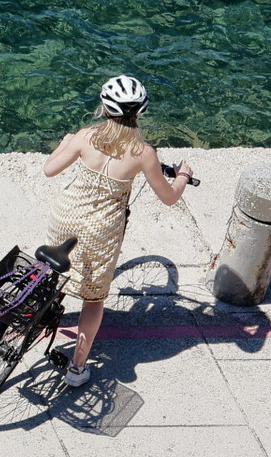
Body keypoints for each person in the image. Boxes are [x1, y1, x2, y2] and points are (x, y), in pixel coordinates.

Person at [43, 74, 191, 388]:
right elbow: (169, 197)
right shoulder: (144, 154)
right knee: (93, 298)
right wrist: (182, 176)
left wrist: (65, 144)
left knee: (56, 272)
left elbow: (49, 169)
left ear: (104, 107)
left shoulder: (85, 136)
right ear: (141, 112)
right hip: (102, 231)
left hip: (66, 217)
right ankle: (77, 369)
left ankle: (38, 315)